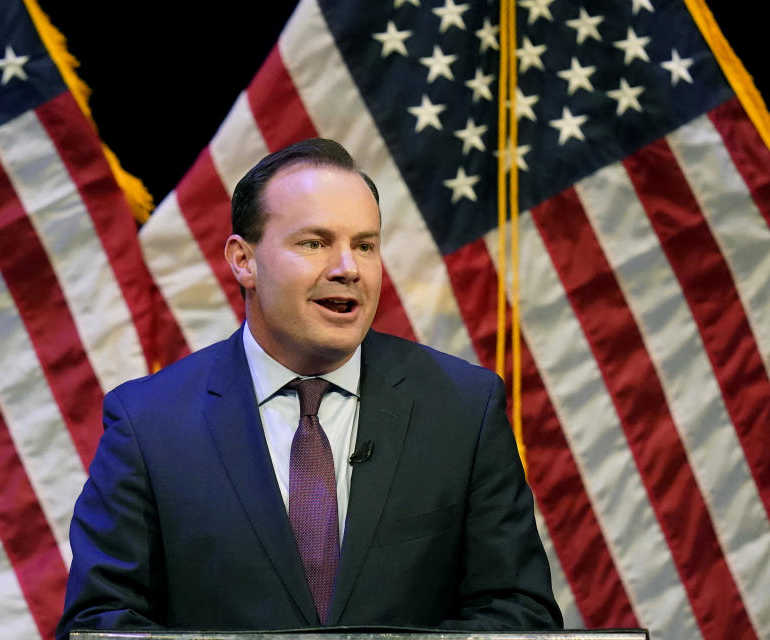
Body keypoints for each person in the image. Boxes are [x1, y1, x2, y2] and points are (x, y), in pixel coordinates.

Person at [57, 139, 562, 638]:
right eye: (315, 243)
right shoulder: (148, 423)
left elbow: (518, 612)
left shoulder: (464, 409)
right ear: (243, 261)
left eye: (364, 245)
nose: (347, 268)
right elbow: (101, 623)